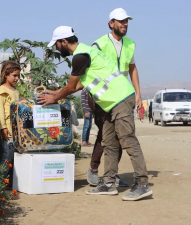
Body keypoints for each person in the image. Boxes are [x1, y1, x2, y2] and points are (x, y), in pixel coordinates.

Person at [38, 25, 152, 201]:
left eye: (56, 45)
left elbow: (70, 87)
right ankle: (108, 183)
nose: (56, 48)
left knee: (128, 140)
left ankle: (142, 184)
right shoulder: (86, 52)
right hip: (110, 104)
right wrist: (55, 93)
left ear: (63, 42)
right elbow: (78, 85)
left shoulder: (80, 56)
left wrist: (54, 98)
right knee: (109, 143)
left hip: (120, 99)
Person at [86, 8, 140, 187]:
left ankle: (112, 174)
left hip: (121, 97)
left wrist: (138, 93)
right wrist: (93, 100)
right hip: (101, 97)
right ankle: (94, 169)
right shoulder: (99, 45)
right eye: (121, 21)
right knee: (105, 135)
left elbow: (132, 69)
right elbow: (89, 72)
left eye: (127, 21)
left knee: (120, 136)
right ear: (111, 23)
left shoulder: (130, 44)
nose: (125, 24)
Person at [0, 61, 21, 184]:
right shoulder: (2, 90)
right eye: (14, 75)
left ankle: (9, 182)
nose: (17, 78)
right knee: (7, 155)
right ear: (6, 75)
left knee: (15, 155)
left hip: (17, 129)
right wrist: (3, 128)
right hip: (8, 129)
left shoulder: (15, 90)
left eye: (18, 75)